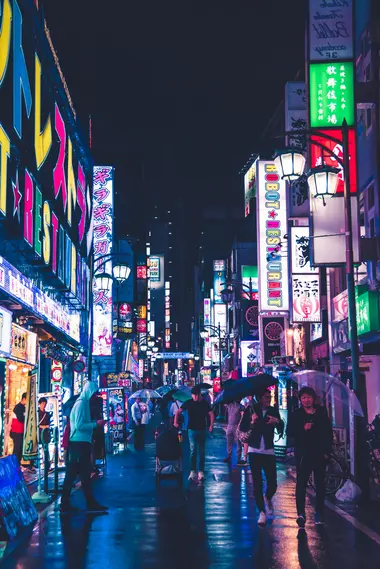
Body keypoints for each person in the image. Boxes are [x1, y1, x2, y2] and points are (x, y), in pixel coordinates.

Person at [287, 386, 333, 527]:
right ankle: (301, 513)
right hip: (303, 454)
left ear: (314, 398)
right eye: (304, 398)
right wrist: (303, 428)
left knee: (320, 484)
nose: (306, 400)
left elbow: (327, 432)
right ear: (300, 399)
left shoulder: (321, 411)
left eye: (309, 397)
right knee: (301, 484)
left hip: (319, 453)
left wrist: (327, 451)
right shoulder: (296, 414)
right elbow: (290, 432)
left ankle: (319, 513)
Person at [61, 382, 107, 513]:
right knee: (74, 474)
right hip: (78, 443)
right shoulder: (81, 404)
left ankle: (87, 502)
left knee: (82, 474)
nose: (94, 397)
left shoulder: (84, 403)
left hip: (81, 442)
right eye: (93, 394)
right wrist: (95, 424)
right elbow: (80, 425)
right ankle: (67, 503)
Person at [247, 389, 284, 526]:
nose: (268, 399)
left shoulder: (273, 410)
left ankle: (267, 497)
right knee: (257, 482)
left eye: (269, 396)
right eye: (265, 397)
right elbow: (245, 427)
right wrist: (252, 421)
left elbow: (281, 429)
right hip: (254, 449)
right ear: (259, 397)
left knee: (272, 483)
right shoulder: (251, 409)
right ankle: (262, 512)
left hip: (268, 450)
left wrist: (277, 422)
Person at [174, 385, 214, 482]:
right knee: (193, 450)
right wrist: (175, 421)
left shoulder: (204, 403)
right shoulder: (189, 403)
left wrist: (211, 425)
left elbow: (211, 414)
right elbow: (178, 412)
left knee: (201, 451)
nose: (195, 397)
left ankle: (201, 471)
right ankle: (192, 471)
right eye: (194, 395)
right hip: (191, 429)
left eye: (197, 395)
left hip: (202, 429)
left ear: (200, 395)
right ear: (192, 395)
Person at [11, 393, 35, 472]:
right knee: (17, 449)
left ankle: (18, 464)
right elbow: (21, 418)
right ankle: (15, 465)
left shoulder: (24, 407)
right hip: (16, 431)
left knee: (20, 449)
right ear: (24, 399)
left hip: (21, 431)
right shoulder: (18, 407)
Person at [223, 400, 244, 466]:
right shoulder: (231, 405)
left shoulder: (239, 406)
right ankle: (232, 457)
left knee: (237, 442)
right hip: (231, 425)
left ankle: (237, 458)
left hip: (235, 425)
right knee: (232, 441)